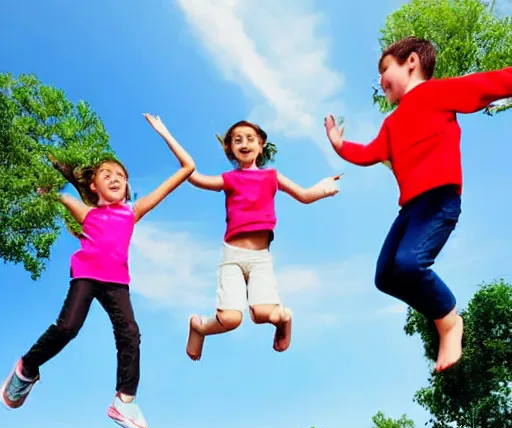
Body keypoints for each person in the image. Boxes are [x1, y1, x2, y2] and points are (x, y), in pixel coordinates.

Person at [324, 36, 512, 372]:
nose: (380, 79)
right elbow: (369, 153)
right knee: (385, 275)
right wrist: (340, 145)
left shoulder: (438, 92)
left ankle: (449, 320)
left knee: (409, 264)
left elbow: (489, 84)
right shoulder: (391, 123)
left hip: (439, 199)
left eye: (385, 69)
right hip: (410, 209)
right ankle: (441, 316)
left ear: (411, 62)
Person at [0, 114, 195, 428]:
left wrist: (164, 131)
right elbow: (55, 195)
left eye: (121, 174)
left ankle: (125, 401)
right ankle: (27, 368)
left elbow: (187, 168)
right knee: (67, 328)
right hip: (87, 275)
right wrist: (43, 187)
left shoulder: (134, 211)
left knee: (130, 333)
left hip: (117, 282)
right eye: (107, 173)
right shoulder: (87, 212)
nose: (115, 177)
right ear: (93, 185)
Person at [186, 120, 341, 361]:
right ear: (229, 148)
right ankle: (200, 327)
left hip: (260, 259)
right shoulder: (228, 179)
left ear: (261, 145)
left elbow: (305, 195)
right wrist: (168, 137)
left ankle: (283, 320)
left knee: (261, 313)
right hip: (232, 257)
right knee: (230, 319)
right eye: (237, 140)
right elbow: (193, 177)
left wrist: (324, 187)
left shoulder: (272, 176)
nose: (244, 143)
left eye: (249, 138)